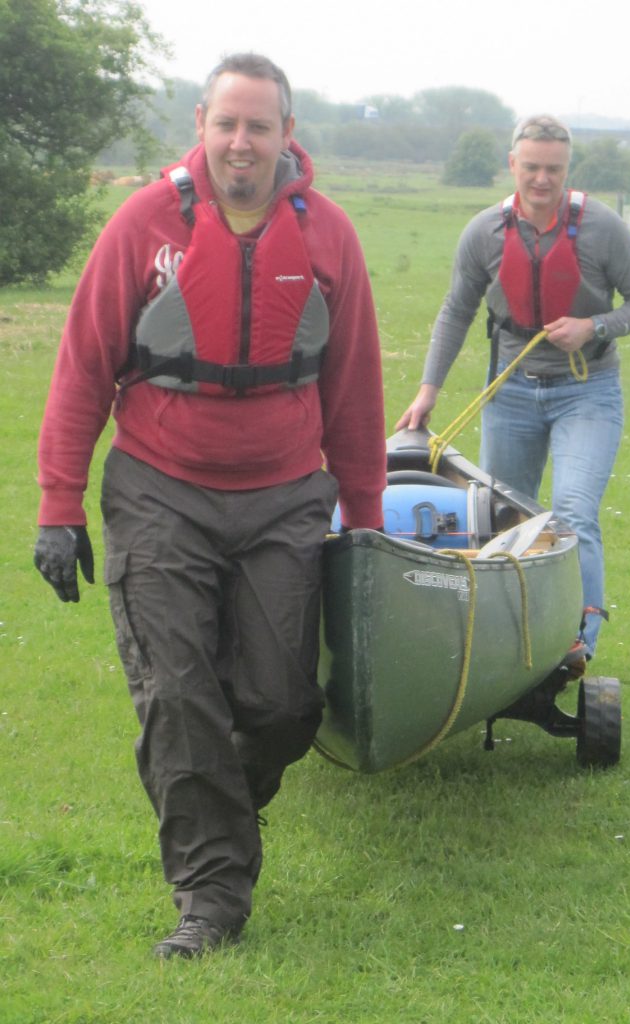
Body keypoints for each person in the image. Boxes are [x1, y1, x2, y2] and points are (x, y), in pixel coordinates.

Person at [33, 53, 386, 958]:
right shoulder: (144, 224)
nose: (240, 142)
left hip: (283, 499)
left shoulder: (328, 237)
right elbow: (83, 365)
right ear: (201, 125)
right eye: (226, 123)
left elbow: (353, 387)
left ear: (285, 135)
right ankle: (210, 897)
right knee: (179, 693)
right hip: (159, 491)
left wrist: (369, 514)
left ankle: (207, 790)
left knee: (282, 705)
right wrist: (57, 505)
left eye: (258, 126)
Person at [396, 113, 630, 665]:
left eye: (554, 170)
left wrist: (594, 326)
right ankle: (502, 639)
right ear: (513, 164)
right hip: (510, 392)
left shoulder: (602, 227)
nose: (542, 180)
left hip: (587, 392)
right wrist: (427, 391)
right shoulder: (483, 233)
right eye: (532, 167)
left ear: (569, 170)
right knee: (503, 517)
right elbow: (456, 312)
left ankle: (576, 644)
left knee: (571, 512)